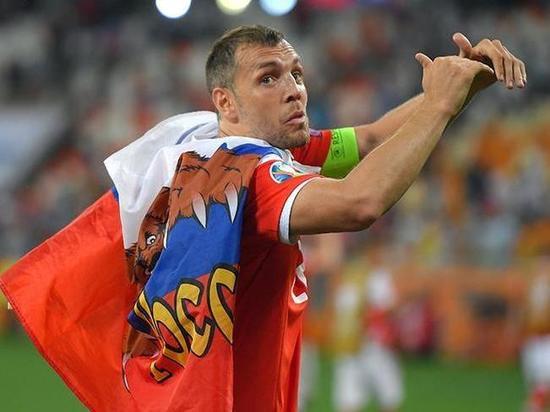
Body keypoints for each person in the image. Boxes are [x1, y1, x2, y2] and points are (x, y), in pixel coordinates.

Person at [0, 25, 526, 412]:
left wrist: (458, 91)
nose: (293, 89)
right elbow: (359, 202)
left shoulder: (199, 143)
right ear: (226, 102)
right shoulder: (249, 174)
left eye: (296, 74)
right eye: (268, 78)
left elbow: (369, 140)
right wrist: (437, 107)